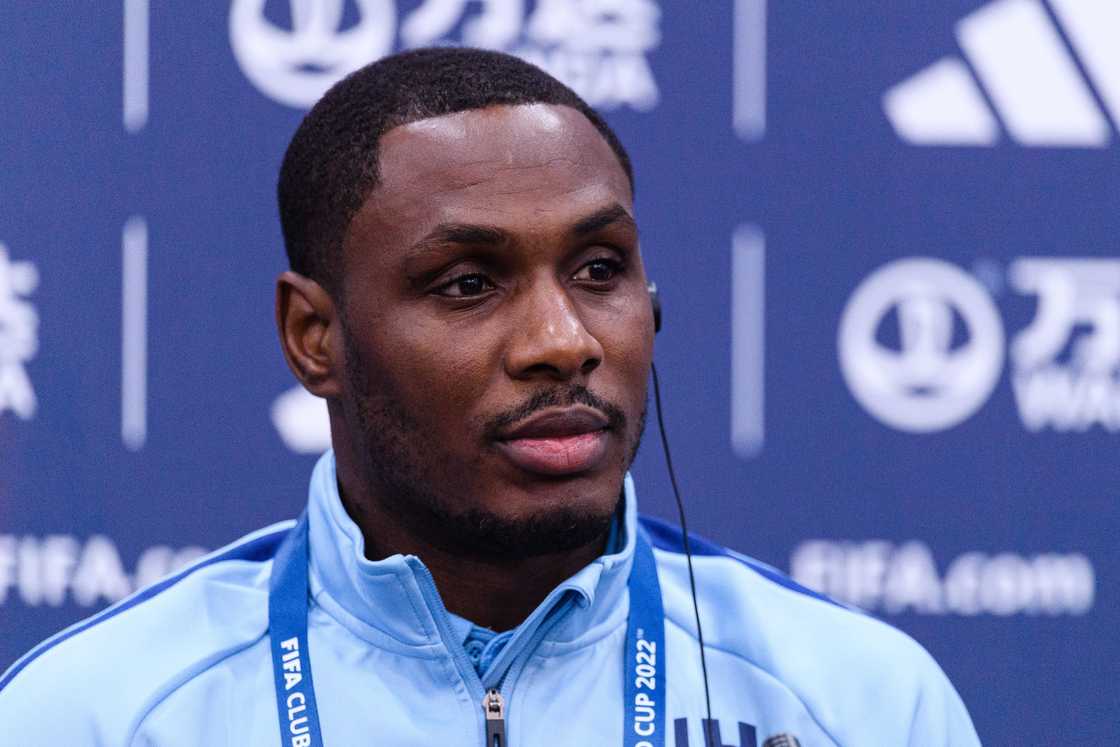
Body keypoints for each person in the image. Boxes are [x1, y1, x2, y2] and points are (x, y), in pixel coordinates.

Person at [0, 48, 979, 746]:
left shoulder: (859, 704)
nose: (564, 341)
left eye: (599, 269)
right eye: (467, 284)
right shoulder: (98, 716)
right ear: (313, 337)